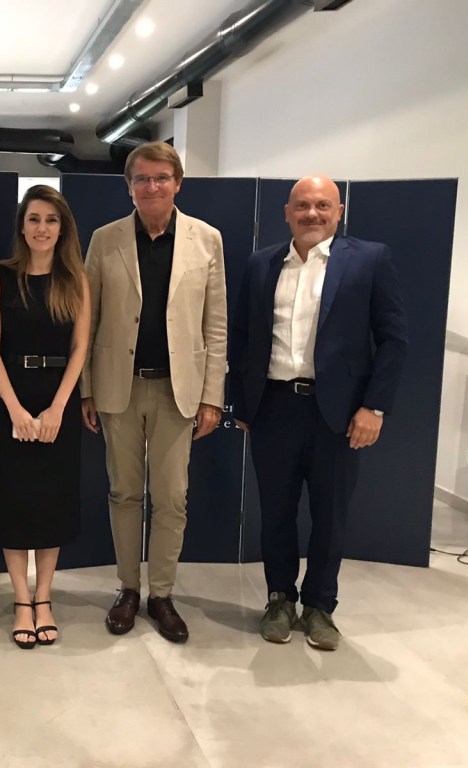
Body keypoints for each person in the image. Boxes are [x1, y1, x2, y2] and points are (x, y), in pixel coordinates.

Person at [228, 175, 407, 650]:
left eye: (323, 205)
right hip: (273, 407)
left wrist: (374, 406)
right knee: (276, 512)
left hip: (339, 414)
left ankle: (320, 607)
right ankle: (280, 599)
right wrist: (242, 401)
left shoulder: (369, 260)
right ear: (287, 213)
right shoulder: (262, 264)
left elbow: (393, 339)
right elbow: (242, 336)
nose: (312, 213)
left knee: (331, 516)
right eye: (303, 205)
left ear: (339, 211)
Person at [80, 141, 227, 644]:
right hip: (118, 388)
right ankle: (128, 588)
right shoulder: (105, 240)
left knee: (171, 498)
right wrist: (86, 389)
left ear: (177, 183)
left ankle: (161, 593)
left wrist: (212, 396)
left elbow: (215, 325)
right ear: (129, 186)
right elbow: (89, 319)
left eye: (161, 177)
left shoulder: (207, 240)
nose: (152, 186)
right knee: (123, 493)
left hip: (177, 391)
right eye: (141, 178)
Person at [0, 186, 90, 649]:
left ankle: (44, 597)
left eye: (51, 219)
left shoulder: (75, 279)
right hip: (11, 398)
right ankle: (20, 600)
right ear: (22, 227)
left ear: (62, 228)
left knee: (52, 503)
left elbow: (80, 347)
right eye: (34, 219)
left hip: (56, 401)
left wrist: (58, 408)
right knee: (14, 502)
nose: (42, 228)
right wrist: (14, 408)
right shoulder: (1, 275)